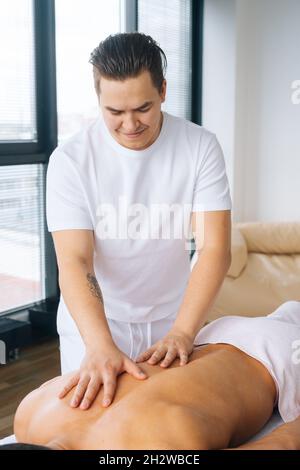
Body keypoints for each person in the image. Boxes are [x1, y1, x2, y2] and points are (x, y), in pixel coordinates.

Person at [46, 32, 232, 413]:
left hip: (174, 320)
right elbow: (74, 261)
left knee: (170, 424)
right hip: (97, 324)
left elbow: (215, 248)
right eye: (114, 112)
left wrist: (183, 331)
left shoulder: (200, 146)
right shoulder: (70, 161)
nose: (129, 124)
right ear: (98, 99)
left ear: (163, 90)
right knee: (94, 425)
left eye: (142, 108)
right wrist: (99, 345)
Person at [9, 301, 300, 450]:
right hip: (214, 337)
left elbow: (284, 443)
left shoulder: (155, 449)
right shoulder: (30, 413)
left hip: (277, 357)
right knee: (289, 311)